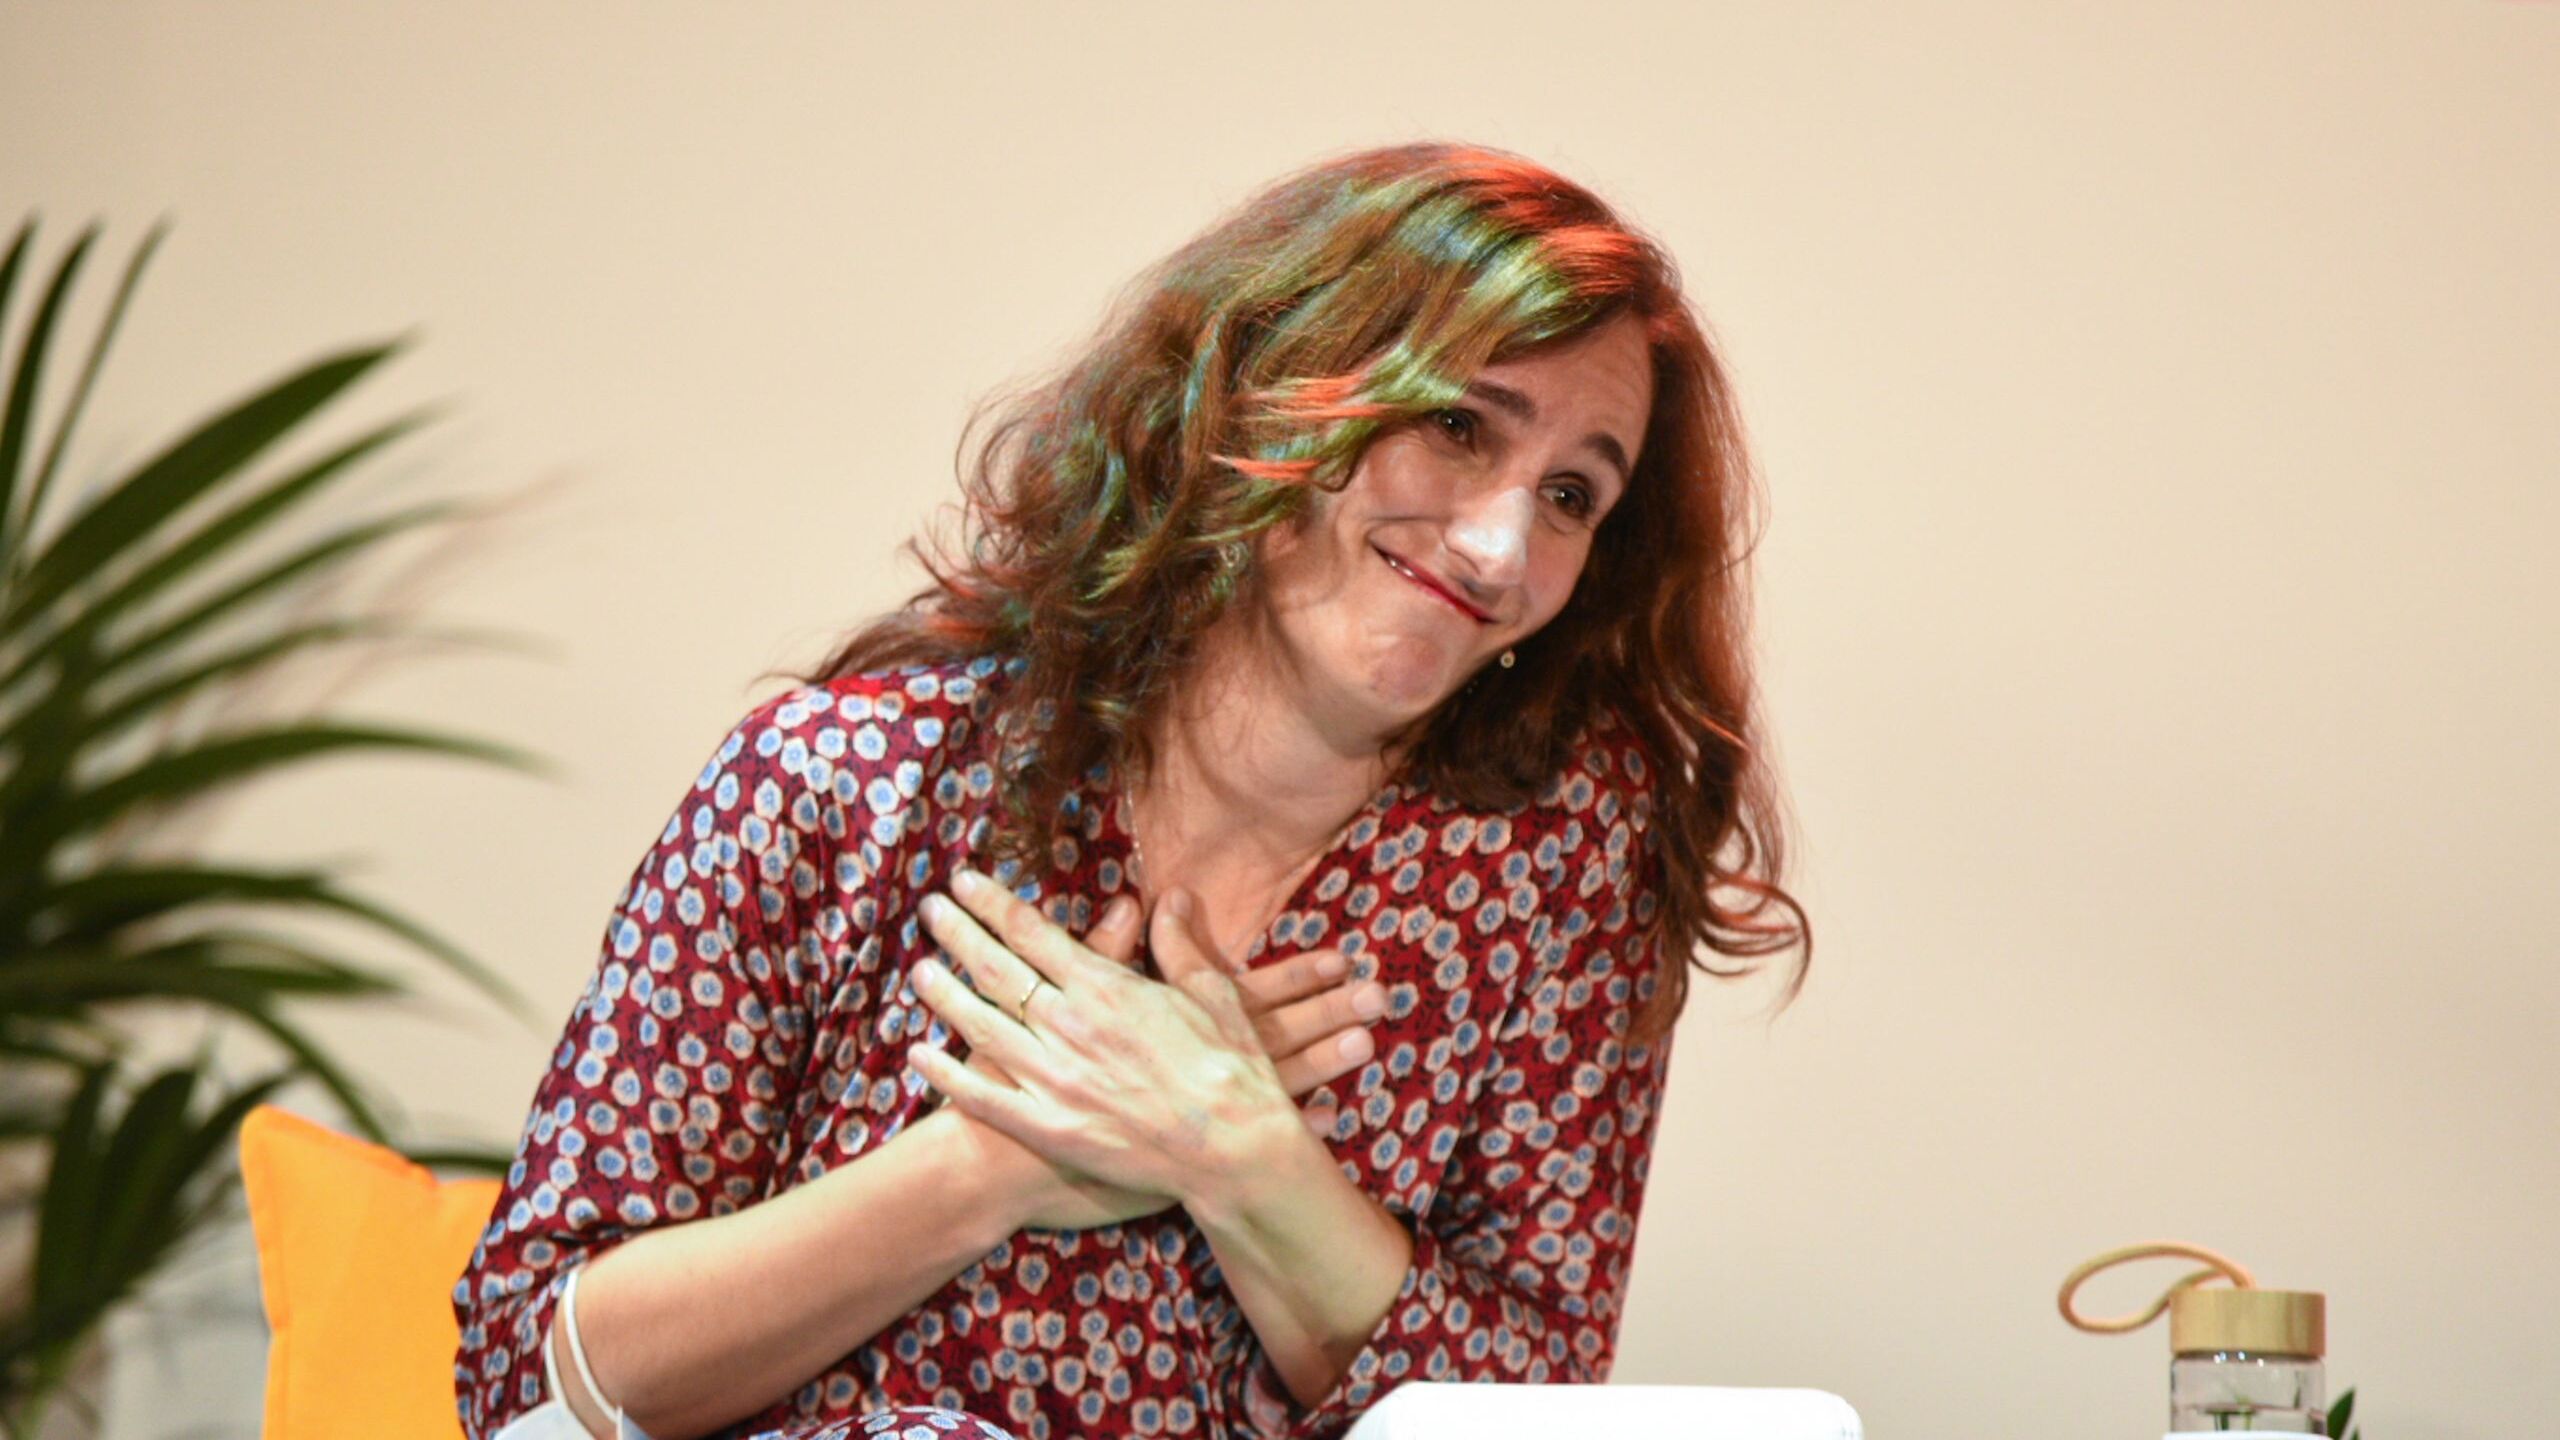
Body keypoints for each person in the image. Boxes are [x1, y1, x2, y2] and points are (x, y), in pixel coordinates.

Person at [453, 138, 1810, 1440]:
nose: (1501, 546)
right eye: (1458, 425)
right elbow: (528, 1381)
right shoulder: (841, 782)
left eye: (1571, 497)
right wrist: (999, 1163)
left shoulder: (1556, 872)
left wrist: (1241, 1151)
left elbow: (1529, 1416)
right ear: (1267, 391)